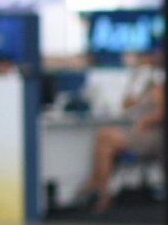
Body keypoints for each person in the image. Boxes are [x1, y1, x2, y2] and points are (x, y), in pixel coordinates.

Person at [70, 48, 163, 211]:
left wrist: (144, 122)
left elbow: (162, 111)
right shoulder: (144, 81)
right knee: (104, 142)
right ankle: (102, 190)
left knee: (105, 137)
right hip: (140, 131)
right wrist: (134, 81)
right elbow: (127, 104)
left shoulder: (159, 82)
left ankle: (97, 185)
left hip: (153, 135)